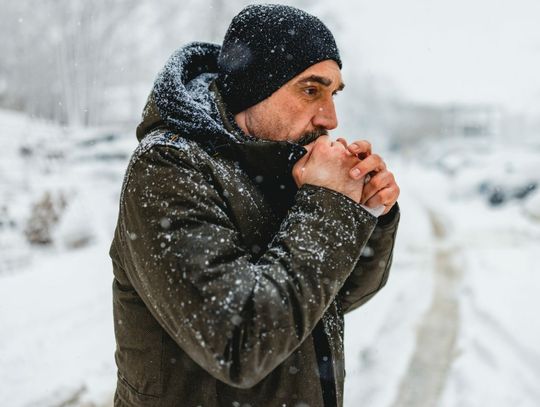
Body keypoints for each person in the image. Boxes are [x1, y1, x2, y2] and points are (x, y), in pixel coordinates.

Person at [109, 4, 400, 406]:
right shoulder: (169, 167)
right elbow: (239, 342)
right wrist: (327, 204)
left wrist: (366, 212)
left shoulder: (282, 163)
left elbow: (336, 298)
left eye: (333, 94)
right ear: (254, 87)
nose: (331, 118)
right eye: (311, 90)